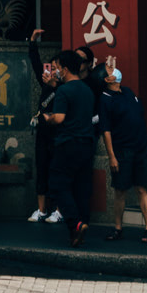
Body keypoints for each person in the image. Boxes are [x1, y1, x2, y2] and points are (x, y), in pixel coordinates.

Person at [43, 48, 104, 244]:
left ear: (66, 69)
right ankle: (80, 226)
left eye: (57, 68)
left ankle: (75, 224)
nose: (56, 71)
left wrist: (48, 118)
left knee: (58, 184)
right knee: (82, 186)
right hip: (87, 142)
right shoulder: (87, 90)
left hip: (67, 143)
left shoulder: (64, 90)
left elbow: (59, 118)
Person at [98, 59, 147, 237]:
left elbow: (139, 118)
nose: (114, 70)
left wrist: (146, 142)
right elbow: (106, 130)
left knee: (142, 188)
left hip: (140, 148)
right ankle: (118, 228)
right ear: (107, 80)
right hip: (122, 151)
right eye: (109, 70)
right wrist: (111, 156)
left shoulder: (129, 92)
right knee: (120, 190)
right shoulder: (105, 99)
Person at [26, 53, 62, 223]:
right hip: (43, 134)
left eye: (56, 68)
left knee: (57, 171)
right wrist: (32, 43)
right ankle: (41, 210)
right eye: (51, 68)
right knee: (41, 169)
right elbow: (35, 63)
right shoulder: (45, 85)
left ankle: (58, 210)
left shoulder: (64, 89)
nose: (52, 71)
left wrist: (55, 86)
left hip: (58, 135)